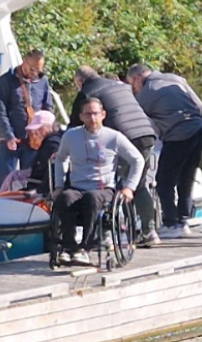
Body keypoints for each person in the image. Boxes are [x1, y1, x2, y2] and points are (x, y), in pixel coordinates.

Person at [69, 66, 160, 246]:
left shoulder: (88, 93)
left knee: (109, 183)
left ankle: (107, 234)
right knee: (139, 184)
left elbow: (74, 127)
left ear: (80, 82)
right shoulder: (119, 85)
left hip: (125, 136)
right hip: (147, 133)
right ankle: (148, 232)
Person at [51, 98, 143, 267]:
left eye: (95, 114)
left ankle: (85, 248)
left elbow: (137, 159)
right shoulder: (71, 136)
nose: (92, 118)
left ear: (103, 115)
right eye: (88, 114)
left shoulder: (114, 137)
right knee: (65, 198)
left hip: (103, 189)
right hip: (77, 186)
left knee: (92, 199)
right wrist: (59, 185)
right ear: (81, 116)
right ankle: (69, 248)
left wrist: (130, 187)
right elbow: (61, 158)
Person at [127, 63, 202, 240]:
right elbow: (200, 106)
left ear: (138, 78)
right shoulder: (176, 79)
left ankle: (171, 223)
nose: (134, 89)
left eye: (132, 84)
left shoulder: (147, 92)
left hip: (178, 135)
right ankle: (183, 221)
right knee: (187, 177)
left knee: (164, 181)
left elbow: (135, 118)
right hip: (198, 129)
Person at [0, 49, 51, 189]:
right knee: (6, 178)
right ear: (24, 62)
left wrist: (44, 134)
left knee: (30, 178)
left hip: (33, 140)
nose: (35, 73)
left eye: (39, 70)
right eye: (32, 69)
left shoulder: (42, 81)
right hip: (12, 138)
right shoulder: (6, 80)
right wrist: (8, 135)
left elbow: (48, 109)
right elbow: (0, 111)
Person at [22, 111, 64, 196]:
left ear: (50, 127)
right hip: (37, 184)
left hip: (39, 189)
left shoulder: (52, 142)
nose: (36, 132)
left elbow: (54, 167)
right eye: (35, 129)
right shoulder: (49, 140)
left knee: (8, 191)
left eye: (39, 128)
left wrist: (39, 190)